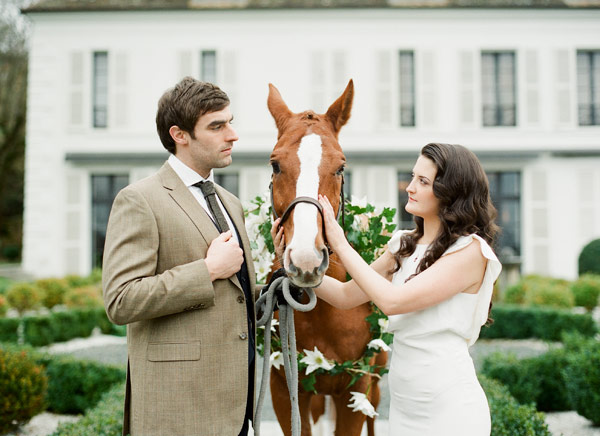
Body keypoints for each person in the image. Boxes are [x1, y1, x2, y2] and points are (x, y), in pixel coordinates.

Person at [272, 142, 502, 436]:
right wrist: (292, 265)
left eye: (423, 181)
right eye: (412, 176)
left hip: (450, 405)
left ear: (450, 192)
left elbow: (393, 301)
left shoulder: (471, 252)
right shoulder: (404, 245)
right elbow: (346, 296)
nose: (410, 187)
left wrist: (339, 243)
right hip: (405, 407)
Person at [102, 76, 257, 436]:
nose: (232, 135)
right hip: (176, 411)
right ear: (180, 135)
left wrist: (277, 287)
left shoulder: (229, 201)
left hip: (234, 411)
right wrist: (206, 270)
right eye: (217, 126)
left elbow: (233, 294)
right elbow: (120, 301)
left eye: (230, 122)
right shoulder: (140, 199)